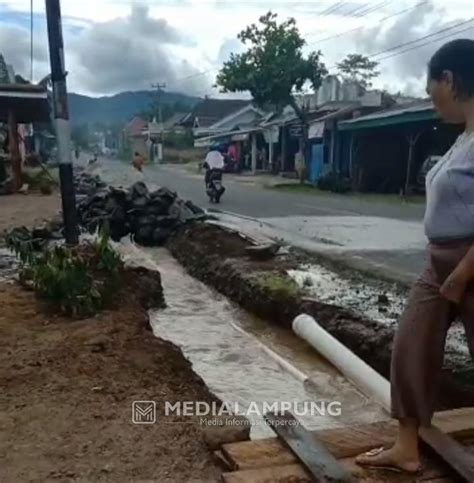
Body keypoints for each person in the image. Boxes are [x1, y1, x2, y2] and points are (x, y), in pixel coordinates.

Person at [356, 39, 474, 473]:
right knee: (412, 345)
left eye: (432, 91)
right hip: (438, 260)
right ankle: (406, 447)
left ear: (450, 79)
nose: (432, 102)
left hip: (470, 262)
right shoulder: (463, 137)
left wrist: (463, 274)